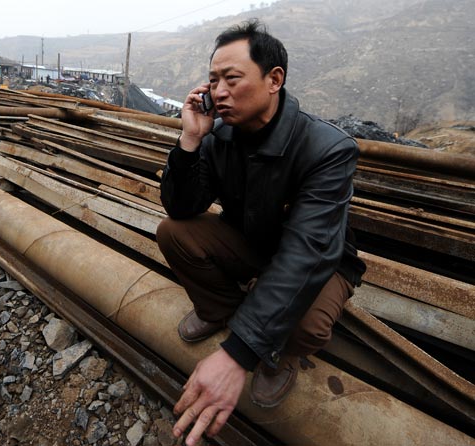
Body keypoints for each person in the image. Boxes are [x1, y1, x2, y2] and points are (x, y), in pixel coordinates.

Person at [156, 20, 366, 445]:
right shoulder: (220, 138)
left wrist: (240, 353)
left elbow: (307, 253)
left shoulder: (327, 149)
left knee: (306, 327)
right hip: (253, 242)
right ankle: (222, 310)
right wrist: (190, 141)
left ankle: (278, 352)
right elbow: (182, 207)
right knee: (174, 231)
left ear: (274, 80)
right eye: (213, 81)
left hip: (321, 260)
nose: (218, 92)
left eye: (232, 79)